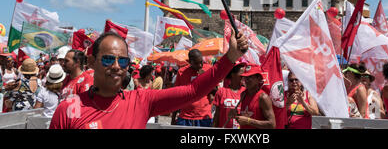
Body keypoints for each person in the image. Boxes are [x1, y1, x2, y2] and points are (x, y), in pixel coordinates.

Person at [50, 30, 248, 129]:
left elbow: (193, 91)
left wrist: (230, 57)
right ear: (92, 61)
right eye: (109, 59)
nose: (117, 66)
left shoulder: (141, 101)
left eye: (123, 60)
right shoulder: (68, 109)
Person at [171, 49, 214, 127]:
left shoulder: (208, 69)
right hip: (185, 117)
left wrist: (205, 77)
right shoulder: (182, 72)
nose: (200, 65)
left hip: (204, 116)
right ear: (190, 62)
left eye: (201, 62)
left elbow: (215, 90)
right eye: (197, 63)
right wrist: (173, 118)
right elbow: (176, 97)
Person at [230, 63, 276, 129]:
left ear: (258, 79)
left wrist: (248, 121)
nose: (246, 80)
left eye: (250, 77)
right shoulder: (243, 94)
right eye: (245, 77)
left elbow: (272, 124)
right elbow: (247, 117)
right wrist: (236, 115)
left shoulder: (263, 97)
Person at [212, 62, 245, 128]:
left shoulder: (245, 92)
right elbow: (217, 115)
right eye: (241, 74)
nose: (243, 76)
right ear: (232, 74)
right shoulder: (221, 91)